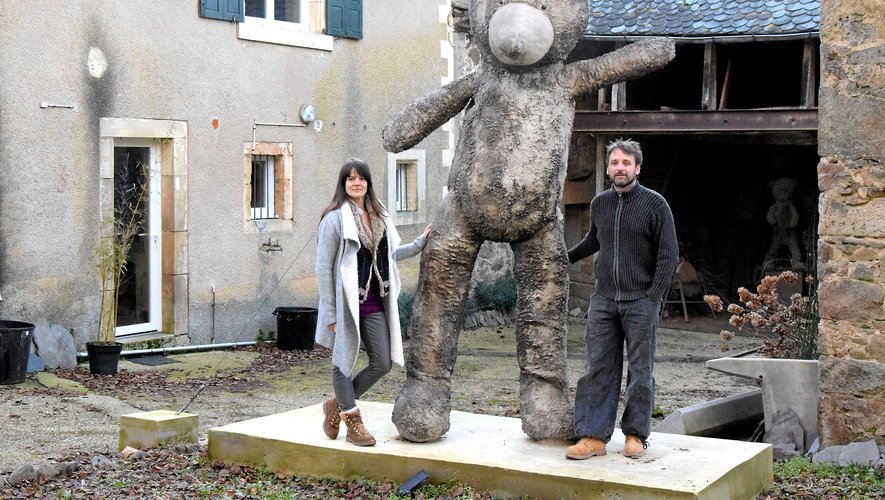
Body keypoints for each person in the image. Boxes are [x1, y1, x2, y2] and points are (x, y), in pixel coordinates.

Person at [565, 139, 679, 460]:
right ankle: (593, 437)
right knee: (596, 368)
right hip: (604, 300)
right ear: (609, 168)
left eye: (626, 163)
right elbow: (593, 241)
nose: (620, 168)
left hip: (640, 301)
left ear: (637, 168)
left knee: (640, 371)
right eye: (615, 163)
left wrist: (652, 297)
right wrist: (564, 257)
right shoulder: (600, 203)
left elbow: (669, 256)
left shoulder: (656, 205)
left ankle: (635, 434)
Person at [315, 158, 430, 447]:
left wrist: (419, 244)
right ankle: (353, 421)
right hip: (347, 306)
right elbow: (322, 268)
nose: (357, 183)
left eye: (361, 178)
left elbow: (388, 256)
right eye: (350, 179)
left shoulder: (380, 215)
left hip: (375, 302)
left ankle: (337, 405)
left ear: (368, 183)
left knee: (382, 362)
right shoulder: (334, 219)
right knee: (342, 363)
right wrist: (330, 312)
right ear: (343, 185)